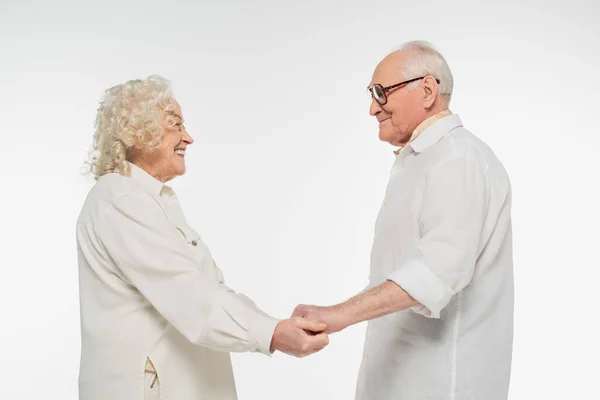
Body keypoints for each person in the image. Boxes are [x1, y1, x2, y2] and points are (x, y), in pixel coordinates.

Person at [76, 75, 329, 400]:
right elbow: (189, 295)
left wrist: (273, 325)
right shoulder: (121, 200)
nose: (189, 137)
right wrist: (273, 333)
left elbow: (208, 290)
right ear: (138, 131)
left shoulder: (148, 199)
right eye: (176, 124)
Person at [293, 41, 514, 399]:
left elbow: (437, 272)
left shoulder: (457, 159)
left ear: (427, 90)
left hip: (441, 386)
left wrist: (340, 314)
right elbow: (400, 274)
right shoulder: (424, 160)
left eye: (380, 92)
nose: (371, 108)